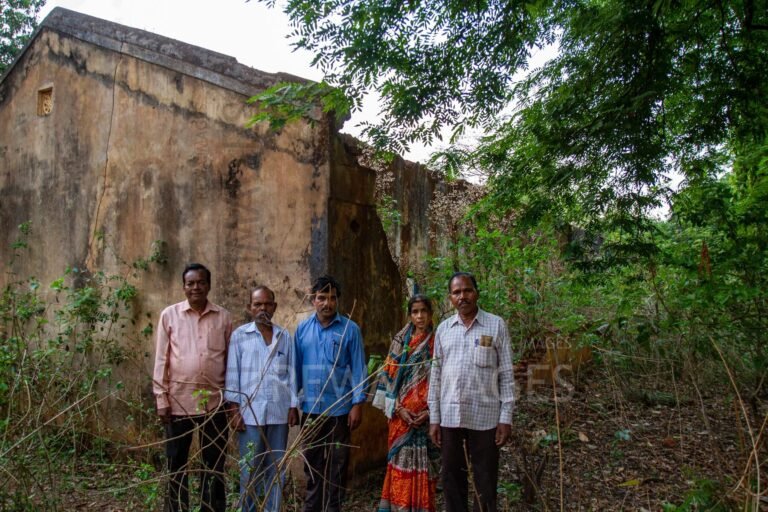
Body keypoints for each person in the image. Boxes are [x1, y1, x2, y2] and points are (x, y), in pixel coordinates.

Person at [427, 272, 515, 512]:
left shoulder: (496, 325)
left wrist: (505, 418)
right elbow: (435, 375)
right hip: (450, 416)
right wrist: (434, 418)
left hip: (485, 416)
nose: (462, 296)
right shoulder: (444, 329)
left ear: (476, 293)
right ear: (450, 297)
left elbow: (507, 374)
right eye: (456, 292)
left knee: (485, 478)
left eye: (467, 290)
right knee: (452, 477)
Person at [153, 263, 233, 512]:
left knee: (214, 464)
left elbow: (231, 361)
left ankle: (212, 509)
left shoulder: (223, 317)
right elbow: (161, 359)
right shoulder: (169, 315)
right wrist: (161, 398)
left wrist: (230, 400)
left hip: (215, 403)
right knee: (176, 462)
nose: (195, 287)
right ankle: (177, 508)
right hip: (178, 402)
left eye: (201, 282)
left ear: (208, 285)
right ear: (184, 287)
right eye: (190, 283)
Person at [295, 275, 367, 512]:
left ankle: (332, 508)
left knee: (337, 464)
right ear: (313, 300)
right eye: (322, 298)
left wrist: (357, 404)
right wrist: (292, 403)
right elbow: (295, 369)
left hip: (340, 411)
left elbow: (358, 368)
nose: (327, 303)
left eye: (332, 298)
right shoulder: (302, 330)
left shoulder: (350, 330)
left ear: (338, 300)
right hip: (311, 411)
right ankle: (312, 508)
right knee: (312, 463)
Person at [225, 286, 299, 512]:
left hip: (278, 411)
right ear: (250, 308)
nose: (263, 308)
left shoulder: (284, 336)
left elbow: (292, 373)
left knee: (276, 468)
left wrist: (293, 405)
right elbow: (232, 375)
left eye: (267, 304)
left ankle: (272, 509)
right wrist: (234, 411)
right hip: (250, 414)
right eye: (257, 304)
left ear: (274, 307)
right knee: (250, 468)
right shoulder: (240, 336)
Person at [373, 294, 440, 512]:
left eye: (424, 311)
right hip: (401, 419)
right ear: (409, 315)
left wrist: (430, 412)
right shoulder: (400, 342)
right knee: (399, 469)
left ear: (430, 314)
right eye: (415, 312)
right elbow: (386, 377)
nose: (420, 316)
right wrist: (399, 409)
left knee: (427, 471)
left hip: (428, 418)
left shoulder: (438, 342)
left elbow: (445, 380)